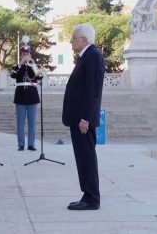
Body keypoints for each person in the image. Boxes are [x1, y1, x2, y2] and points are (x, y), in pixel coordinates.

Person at [62, 23, 105, 210]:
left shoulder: (93, 56)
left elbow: (92, 90)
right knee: (83, 157)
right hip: (79, 117)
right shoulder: (86, 56)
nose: (71, 41)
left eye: (74, 38)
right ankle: (87, 195)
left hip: (83, 120)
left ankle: (91, 199)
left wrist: (85, 118)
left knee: (86, 157)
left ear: (84, 40)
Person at [10, 36, 43, 151]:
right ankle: (20, 144)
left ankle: (31, 144)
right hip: (20, 96)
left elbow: (40, 77)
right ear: (20, 55)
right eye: (23, 54)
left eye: (27, 53)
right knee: (20, 122)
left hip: (32, 96)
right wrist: (21, 65)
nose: (25, 55)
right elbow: (13, 76)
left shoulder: (35, 65)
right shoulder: (16, 66)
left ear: (30, 54)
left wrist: (32, 64)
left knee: (32, 123)